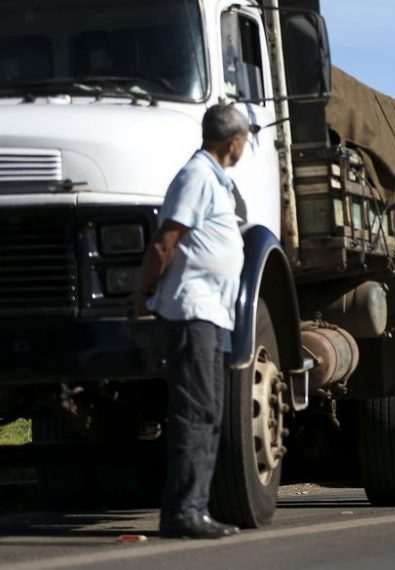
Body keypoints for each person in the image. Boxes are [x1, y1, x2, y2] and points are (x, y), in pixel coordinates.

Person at [130, 103, 249, 539]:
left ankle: (195, 506)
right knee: (196, 411)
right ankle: (183, 511)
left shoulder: (215, 179)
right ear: (233, 141)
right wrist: (142, 294)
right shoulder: (197, 176)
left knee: (209, 411)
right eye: (244, 139)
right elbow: (165, 242)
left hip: (212, 313)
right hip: (192, 310)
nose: (245, 146)